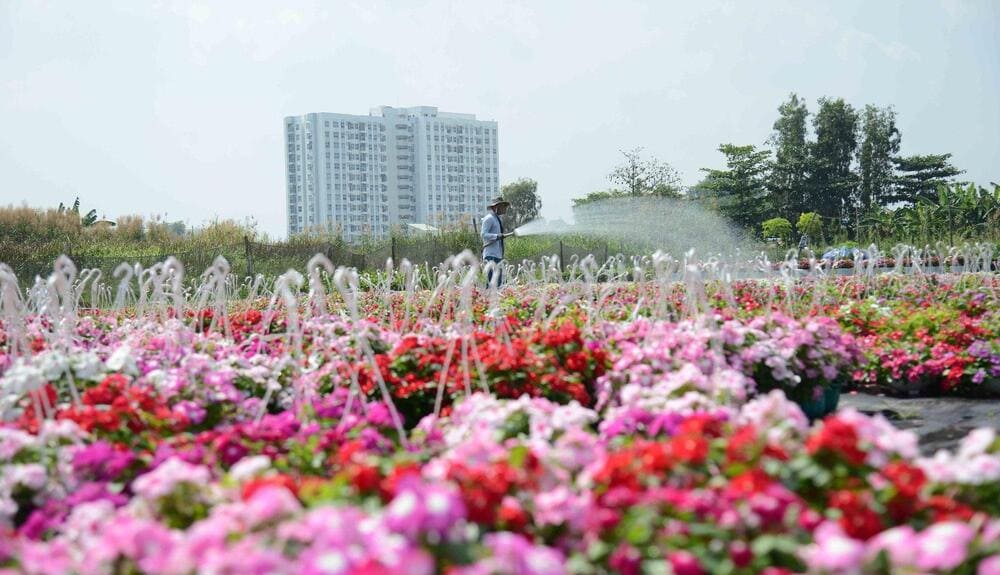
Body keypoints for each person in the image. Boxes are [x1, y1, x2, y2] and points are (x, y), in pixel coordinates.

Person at [481, 197, 514, 287]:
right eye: (503, 206)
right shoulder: (489, 218)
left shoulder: (497, 219)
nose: (505, 208)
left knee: (499, 284)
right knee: (491, 282)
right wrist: (497, 236)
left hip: (498, 255)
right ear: (496, 207)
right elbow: (483, 234)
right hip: (490, 255)